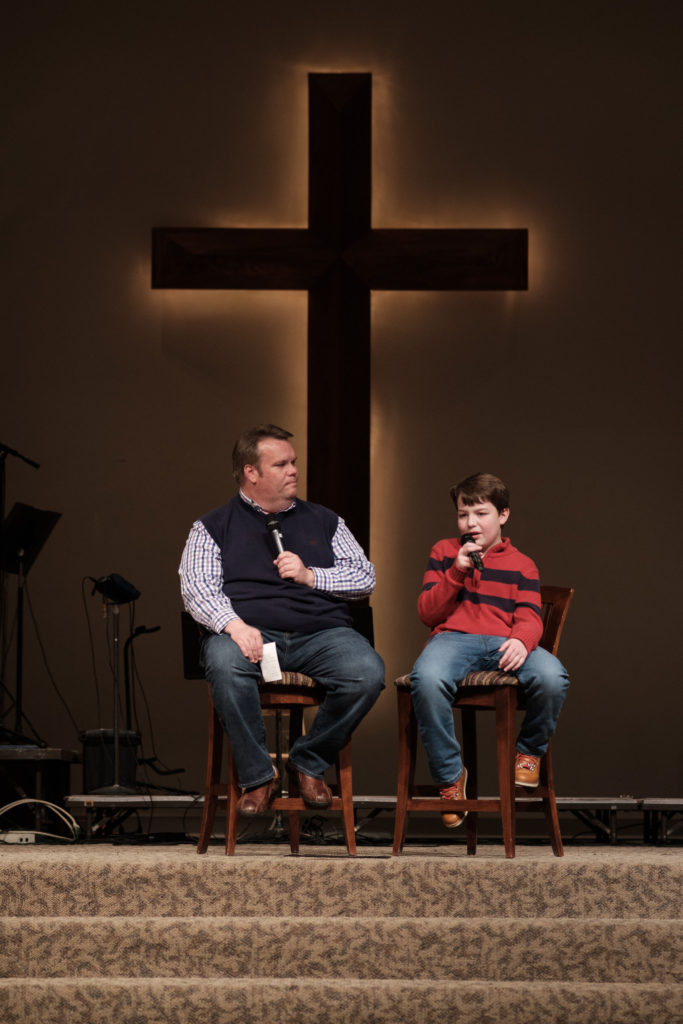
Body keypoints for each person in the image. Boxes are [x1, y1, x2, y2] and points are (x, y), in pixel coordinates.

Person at [179, 424, 384, 815]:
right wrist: (235, 626)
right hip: (249, 632)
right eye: (281, 464)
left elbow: (365, 577)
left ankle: (307, 762)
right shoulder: (212, 526)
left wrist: (312, 575)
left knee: (367, 672)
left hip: (321, 634)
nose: (293, 470)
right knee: (222, 662)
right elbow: (197, 589)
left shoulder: (325, 520)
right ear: (251, 472)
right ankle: (259, 777)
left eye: (294, 462)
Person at [409, 472, 569, 828]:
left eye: (481, 513)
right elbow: (427, 613)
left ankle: (528, 753)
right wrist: (456, 571)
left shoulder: (522, 564)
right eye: (464, 515)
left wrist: (521, 640)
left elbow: (529, 616)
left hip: (503, 641)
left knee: (552, 675)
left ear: (503, 515)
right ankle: (451, 779)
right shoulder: (444, 552)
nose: (471, 523)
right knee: (426, 678)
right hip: (452, 640)